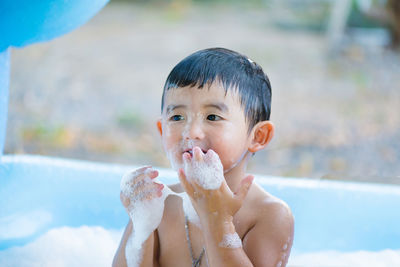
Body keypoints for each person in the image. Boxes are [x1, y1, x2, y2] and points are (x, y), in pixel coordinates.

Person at [113, 47, 294, 267]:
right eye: (177, 117)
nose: (190, 131)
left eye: (212, 116)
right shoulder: (155, 206)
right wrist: (141, 227)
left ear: (258, 136)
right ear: (162, 131)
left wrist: (218, 221)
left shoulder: (269, 215)